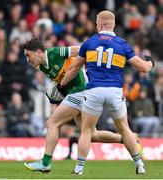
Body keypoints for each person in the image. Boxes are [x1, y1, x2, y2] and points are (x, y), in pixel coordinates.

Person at [23, 38, 143, 173]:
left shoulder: (56, 52)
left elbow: (82, 50)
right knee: (91, 135)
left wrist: (92, 66)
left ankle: (45, 163)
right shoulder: (41, 66)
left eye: (28, 55)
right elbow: (62, 80)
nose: (27, 59)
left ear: (39, 52)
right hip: (74, 93)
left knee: (52, 123)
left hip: (81, 90)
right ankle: (130, 139)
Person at [60, 11, 154, 175]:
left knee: (87, 131)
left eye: (97, 22)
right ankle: (139, 164)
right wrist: (150, 62)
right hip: (114, 91)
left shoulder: (89, 43)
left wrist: (62, 84)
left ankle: (79, 169)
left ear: (101, 23)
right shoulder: (122, 44)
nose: (96, 24)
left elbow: (75, 68)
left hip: (94, 90)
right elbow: (143, 68)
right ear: (113, 25)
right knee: (125, 129)